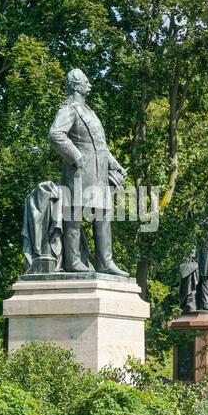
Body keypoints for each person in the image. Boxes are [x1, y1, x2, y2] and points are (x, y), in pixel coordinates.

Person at [48, 68, 128, 276]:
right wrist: (77, 158)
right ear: (75, 86)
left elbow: (100, 146)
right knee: (74, 216)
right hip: (79, 172)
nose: (89, 86)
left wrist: (115, 165)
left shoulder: (89, 111)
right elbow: (55, 135)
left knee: (104, 215)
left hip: (100, 173)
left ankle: (105, 263)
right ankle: (73, 262)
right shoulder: (69, 109)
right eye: (86, 82)